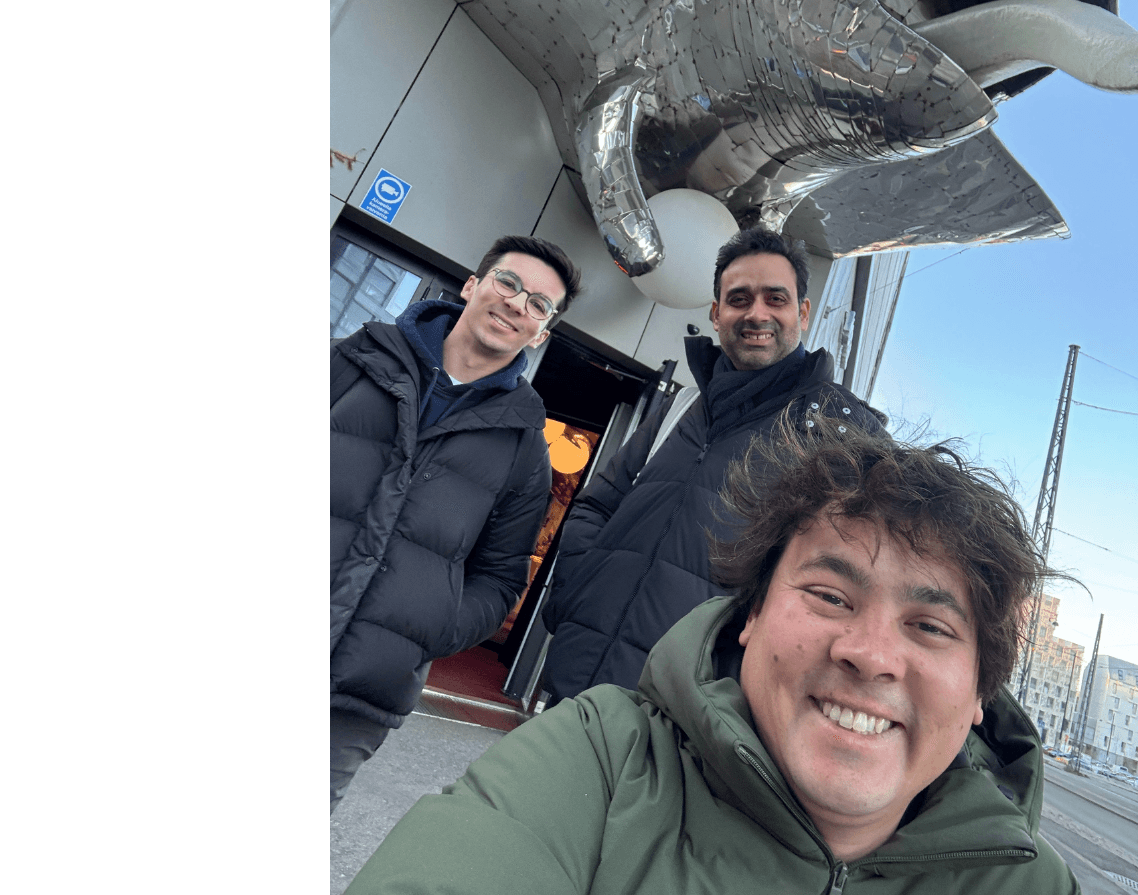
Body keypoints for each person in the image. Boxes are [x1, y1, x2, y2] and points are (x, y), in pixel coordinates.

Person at [348, 421, 1081, 894]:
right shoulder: (603, 757)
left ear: (983, 691)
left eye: (930, 627)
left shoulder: (1023, 882)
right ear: (751, 615)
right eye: (830, 595)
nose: (869, 654)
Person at [540, 227, 883, 702]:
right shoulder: (682, 405)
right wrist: (574, 594)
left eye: (775, 298)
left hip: (692, 717)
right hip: (575, 684)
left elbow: (848, 590)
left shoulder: (836, 434)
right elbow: (596, 507)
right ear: (716, 314)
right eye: (739, 299)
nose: (756, 313)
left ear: (802, 313)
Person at [329, 234, 580, 813]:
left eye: (539, 305)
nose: (518, 304)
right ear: (473, 284)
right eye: (509, 283)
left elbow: (499, 580)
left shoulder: (523, 449)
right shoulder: (349, 362)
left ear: (541, 333)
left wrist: (425, 627)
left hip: (356, 701)